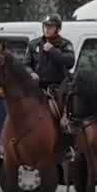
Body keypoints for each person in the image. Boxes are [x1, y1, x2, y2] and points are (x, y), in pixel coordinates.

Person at [26, 14, 76, 158]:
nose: (47, 29)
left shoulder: (65, 44)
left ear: (58, 29)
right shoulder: (34, 44)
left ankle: (66, 146)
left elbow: (70, 61)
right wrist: (31, 73)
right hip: (37, 87)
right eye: (45, 26)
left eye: (51, 27)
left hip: (57, 88)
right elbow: (26, 64)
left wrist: (53, 51)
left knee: (64, 116)